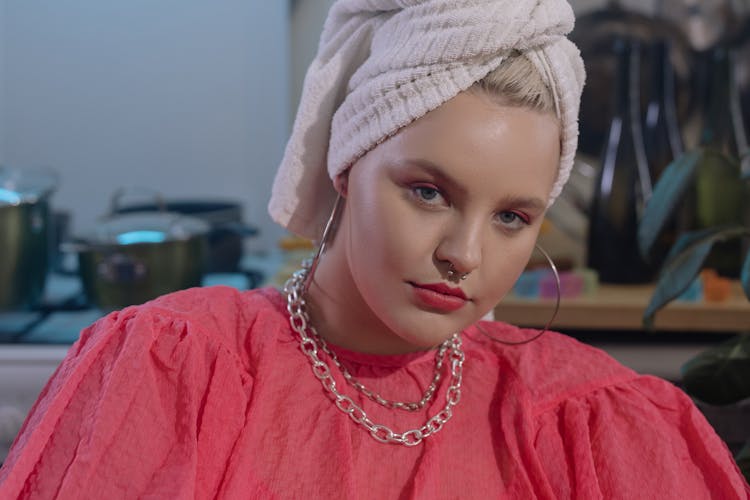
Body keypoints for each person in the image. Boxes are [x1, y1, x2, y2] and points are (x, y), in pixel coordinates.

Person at [1, 0, 748, 498]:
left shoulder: (589, 418)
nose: (464, 253)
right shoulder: (175, 365)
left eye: (513, 217)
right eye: (428, 192)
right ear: (347, 165)